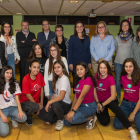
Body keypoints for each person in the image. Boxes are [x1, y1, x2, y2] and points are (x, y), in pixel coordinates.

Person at [94, 60, 138, 140]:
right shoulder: (96, 76)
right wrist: (97, 103)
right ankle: (95, 114)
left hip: (110, 100)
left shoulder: (110, 78)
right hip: (99, 101)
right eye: (101, 68)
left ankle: (131, 130)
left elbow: (113, 96)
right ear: (98, 68)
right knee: (105, 122)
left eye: (105, 68)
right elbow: (94, 90)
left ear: (108, 69)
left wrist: (102, 105)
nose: (103, 70)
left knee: (115, 107)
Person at [38, 60, 71, 131]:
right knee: (41, 113)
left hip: (65, 104)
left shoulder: (64, 79)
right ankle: (59, 114)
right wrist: (49, 103)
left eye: (58, 67)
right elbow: (54, 93)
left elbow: (61, 97)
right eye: (55, 68)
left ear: (63, 68)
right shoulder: (57, 79)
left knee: (55, 105)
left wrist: (50, 102)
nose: (56, 69)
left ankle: (60, 120)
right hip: (57, 104)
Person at [64, 62, 97, 130]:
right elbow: (76, 96)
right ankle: (84, 117)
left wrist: (73, 111)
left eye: (81, 69)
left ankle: (91, 118)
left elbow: (81, 97)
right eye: (77, 70)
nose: (79, 71)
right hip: (80, 105)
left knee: (71, 120)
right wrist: (71, 109)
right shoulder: (78, 80)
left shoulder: (88, 79)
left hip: (89, 106)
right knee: (66, 122)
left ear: (86, 70)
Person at [113, 58, 140, 138]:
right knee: (117, 125)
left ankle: (135, 118)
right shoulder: (123, 78)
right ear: (124, 67)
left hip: (137, 105)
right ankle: (132, 118)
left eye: (130, 66)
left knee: (139, 128)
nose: (128, 69)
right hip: (125, 104)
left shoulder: (138, 78)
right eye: (126, 66)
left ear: (134, 67)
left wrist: (134, 114)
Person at [0, 65, 27, 137]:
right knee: (4, 133)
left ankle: (12, 118)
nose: (9, 75)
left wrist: (20, 111)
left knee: (23, 118)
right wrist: (2, 115)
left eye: (11, 73)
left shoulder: (15, 83)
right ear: (3, 73)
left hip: (13, 108)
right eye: (7, 72)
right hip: (2, 110)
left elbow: (17, 98)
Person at [114, 19, 135, 102]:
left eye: (126, 25)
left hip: (129, 64)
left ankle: (128, 96)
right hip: (118, 62)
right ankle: (118, 96)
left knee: (129, 80)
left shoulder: (133, 37)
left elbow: (134, 50)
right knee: (118, 80)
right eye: (123, 25)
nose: (124, 27)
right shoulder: (117, 37)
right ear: (121, 27)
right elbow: (115, 49)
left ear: (129, 26)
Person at [20, 60, 45, 126]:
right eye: (34, 67)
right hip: (24, 102)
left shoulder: (40, 75)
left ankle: (34, 109)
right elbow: (28, 95)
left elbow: (42, 89)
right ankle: (28, 114)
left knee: (47, 118)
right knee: (35, 107)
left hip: (35, 102)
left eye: (38, 67)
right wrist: (37, 107)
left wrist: (41, 103)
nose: (36, 69)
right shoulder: (25, 79)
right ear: (30, 68)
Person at [16, 20, 37, 88]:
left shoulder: (32, 34)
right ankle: (22, 90)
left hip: (31, 58)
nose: (25, 27)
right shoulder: (18, 34)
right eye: (23, 25)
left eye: (26, 25)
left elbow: (33, 44)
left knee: (31, 74)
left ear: (28, 26)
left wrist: (24, 42)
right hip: (22, 58)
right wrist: (29, 42)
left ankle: (30, 89)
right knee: (22, 74)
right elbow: (19, 45)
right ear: (21, 26)